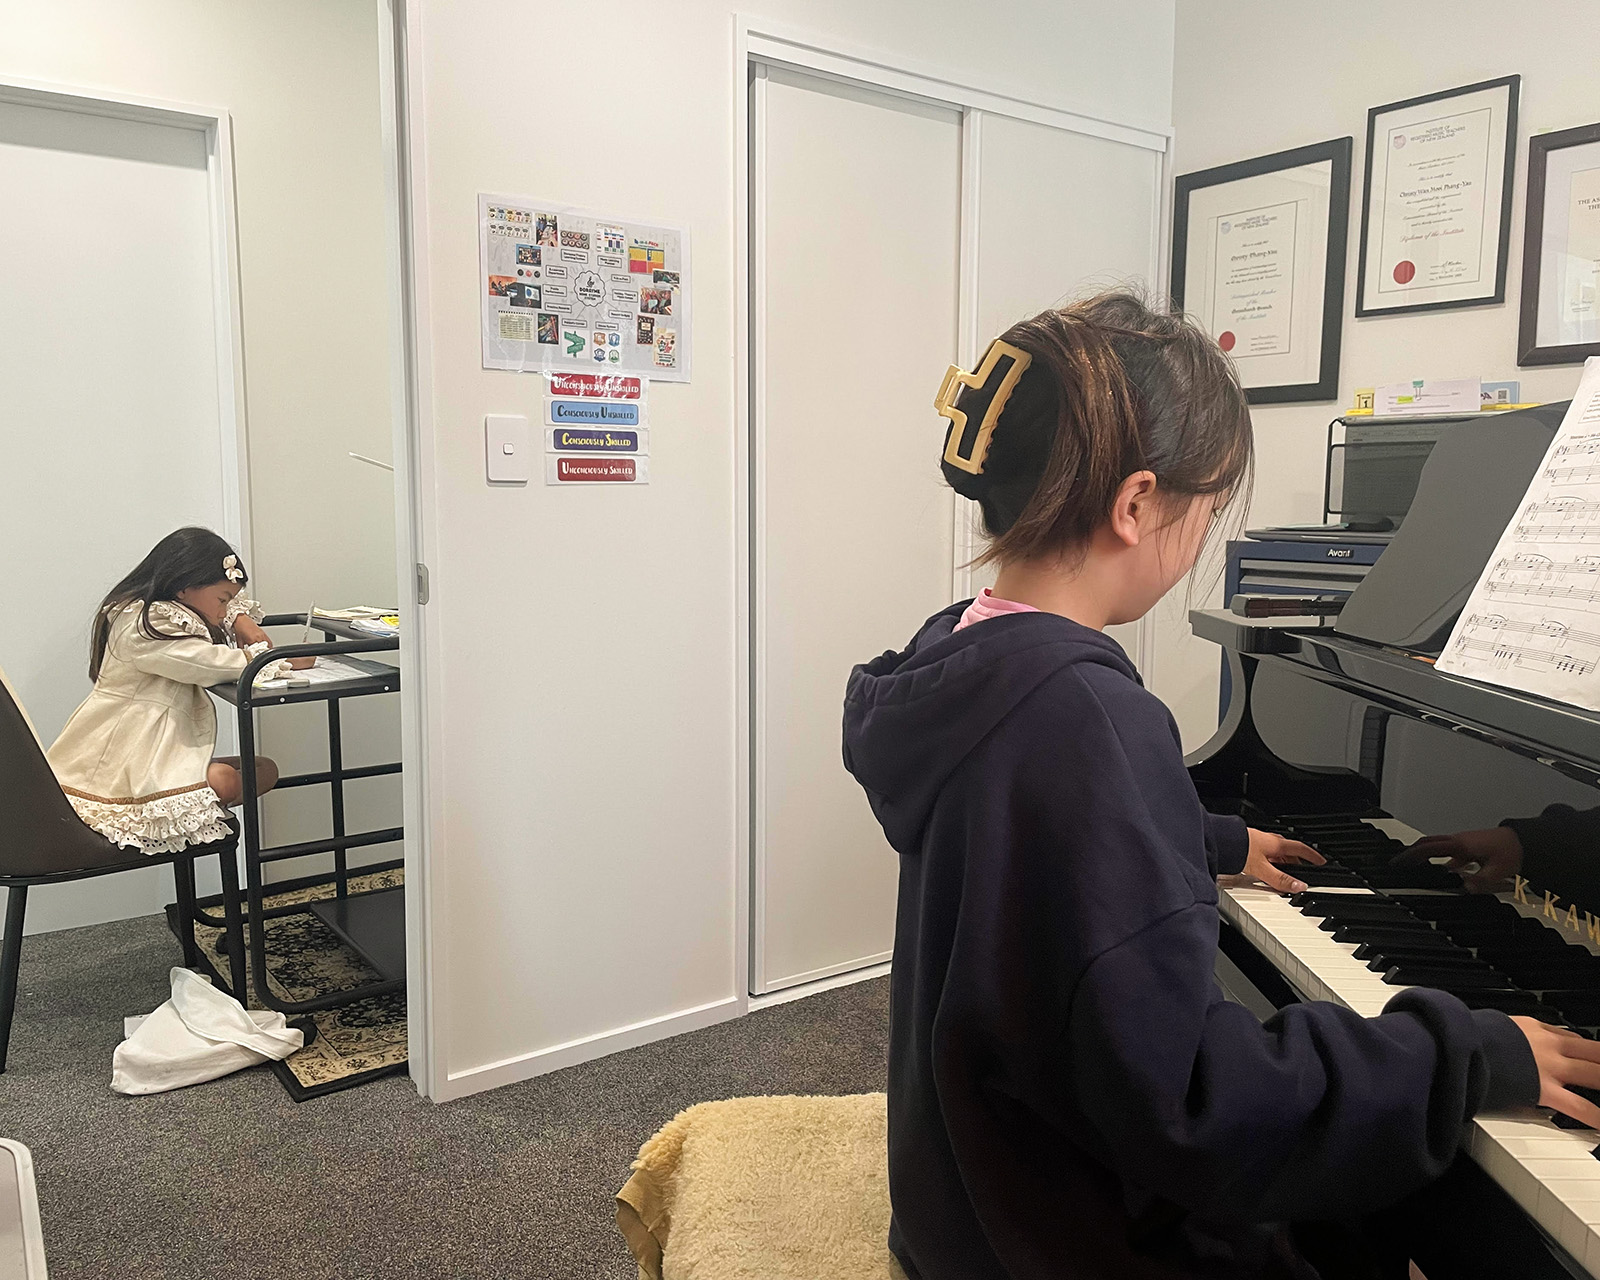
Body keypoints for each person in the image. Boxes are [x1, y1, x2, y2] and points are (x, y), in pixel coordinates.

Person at [840, 292, 1600, 1279]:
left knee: (1371, 1159)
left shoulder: (967, 659)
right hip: (1067, 1238)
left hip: (970, 1199)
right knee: (1389, 1178)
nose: (1200, 537)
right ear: (1136, 503)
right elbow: (1192, 1100)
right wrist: (1464, 1050)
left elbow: (1041, 854)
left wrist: (1210, 840)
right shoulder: (1089, 717)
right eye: (1204, 509)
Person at [47, 527, 312, 854]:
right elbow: (205, 662)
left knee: (264, 769)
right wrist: (275, 658)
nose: (221, 611)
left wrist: (240, 618)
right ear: (185, 587)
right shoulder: (145, 623)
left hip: (152, 750)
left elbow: (213, 613)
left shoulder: (169, 610)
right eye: (221, 601)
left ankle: (196, 810)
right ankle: (187, 814)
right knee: (228, 780)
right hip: (120, 761)